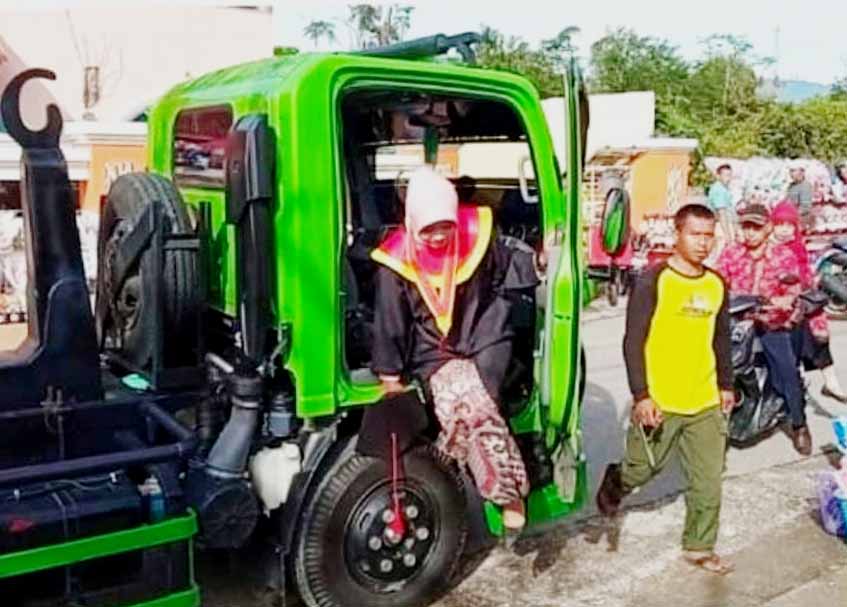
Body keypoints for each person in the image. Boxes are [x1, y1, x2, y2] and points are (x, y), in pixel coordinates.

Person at [370, 166, 532, 532]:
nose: (438, 235)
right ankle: (507, 488)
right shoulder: (394, 262)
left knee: (480, 401)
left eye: (445, 224)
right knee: (463, 404)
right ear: (412, 223)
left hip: (483, 334)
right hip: (433, 349)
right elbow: (390, 321)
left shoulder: (479, 237)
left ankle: (499, 483)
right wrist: (390, 376)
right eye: (428, 227)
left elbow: (506, 278)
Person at [596, 204, 736, 575]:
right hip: (660, 400)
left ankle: (699, 546)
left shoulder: (716, 284)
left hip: (705, 400)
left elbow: (721, 339)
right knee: (643, 469)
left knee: (708, 482)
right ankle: (616, 481)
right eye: (696, 234)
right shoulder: (654, 280)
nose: (703, 243)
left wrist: (726, 384)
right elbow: (633, 342)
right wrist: (641, 395)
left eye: (709, 235)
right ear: (677, 233)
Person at [717, 203, 811, 455]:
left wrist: (785, 300)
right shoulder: (731, 253)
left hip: (770, 323)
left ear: (768, 228)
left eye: (756, 227)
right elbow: (716, 283)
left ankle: (800, 424)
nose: (750, 233)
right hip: (736, 323)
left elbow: (793, 290)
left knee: (787, 370)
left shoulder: (783, 256)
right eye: (746, 226)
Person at [771, 200, 847, 403]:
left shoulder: (799, 247)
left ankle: (831, 384)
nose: (784, 230)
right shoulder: (768, 249)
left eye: (789, 225)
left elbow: (805, 275)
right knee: (794, 349)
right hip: (779, 308)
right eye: (779, 224)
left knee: (820, 341)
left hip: (806, 305)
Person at [707, 163, 736, 244]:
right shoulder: (719, 190)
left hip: (724, 225)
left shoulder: (724, 189)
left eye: (730, 175)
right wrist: (727, 234)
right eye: (726, 175)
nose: (729, 178)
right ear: (718, 176)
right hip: (721, 226)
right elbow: (722, 213)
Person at [786, 160, 813, 229]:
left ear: (801, 172)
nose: (791, 174)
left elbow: (805, 207)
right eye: (790, 171)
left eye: (793, 171)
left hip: (800, 221)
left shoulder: (805, 186)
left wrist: (791, 215)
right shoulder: (792, 186)